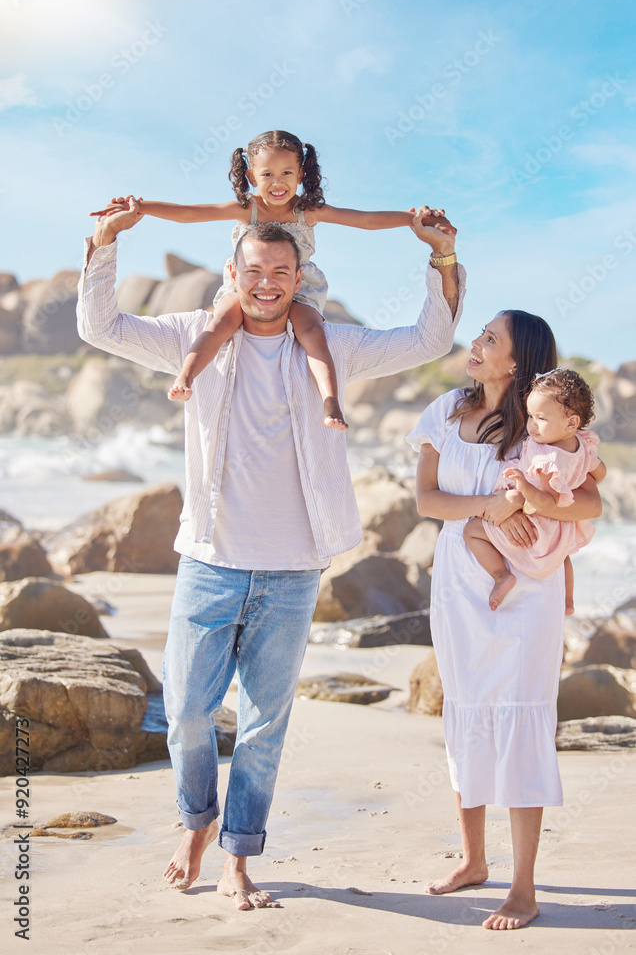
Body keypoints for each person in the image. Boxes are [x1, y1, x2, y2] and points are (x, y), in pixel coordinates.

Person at [77, 196, 465, 911]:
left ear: (297, 274)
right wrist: (104, 244)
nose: (266, 282)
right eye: (254, 270)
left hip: (292, 571)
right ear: (233, 271)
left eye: (280, 271)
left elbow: (427, 341)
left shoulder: (333, 347)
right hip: (209, 561)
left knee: (261, 726)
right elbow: (100, 325)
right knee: (189, 714)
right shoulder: (194, 334)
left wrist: (440, 257)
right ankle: (198, 821)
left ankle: (239, 855)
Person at [407, 311, 602, 931]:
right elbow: (426, 500)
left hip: (529, 593)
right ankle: (472, 860)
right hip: (462, 580)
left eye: (491, 338)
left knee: (520, 717)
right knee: (465, 708)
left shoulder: (544, 423)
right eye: (481, 334)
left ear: (516, 361)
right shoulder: (445, 410)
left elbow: (592, 497)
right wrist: (487, 510)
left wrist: (543, 504)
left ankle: (524, 887)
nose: (477, 342)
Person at [91, 129, 455, 429]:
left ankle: (330, 403)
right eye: (266, 175)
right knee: (221, 320)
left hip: (300, 288)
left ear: (301, 174)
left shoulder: (307, 210)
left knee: (312, 331)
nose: (277, 183)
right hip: (245, 288)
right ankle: (186, 377)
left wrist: (412, 220)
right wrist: (142, 208)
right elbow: (190, 213)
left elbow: (364, 219)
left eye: (286, 174)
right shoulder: (246, 208)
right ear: (251, 177)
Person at [464, 367, 606, 612]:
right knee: (564, 555)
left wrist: (523, 490)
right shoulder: (581, 444)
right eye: (531, 416)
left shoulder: (546, 458)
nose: (532, 425)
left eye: (541, 418)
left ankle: (501, 576)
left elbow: (548, 503)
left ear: (571, 422)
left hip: (538, 526)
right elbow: (599, 471)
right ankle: (568, 601)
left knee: (472, 530)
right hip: (562, 529)